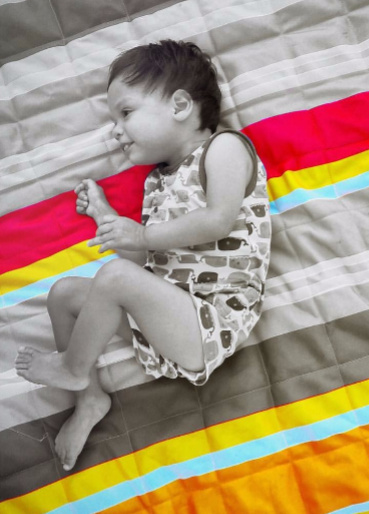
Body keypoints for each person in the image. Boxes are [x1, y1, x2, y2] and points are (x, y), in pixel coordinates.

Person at [15, 40, 271, 471]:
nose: (114, 130)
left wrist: (141, 234)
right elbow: (146, 264)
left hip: (210, 323)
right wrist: (107, 217)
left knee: (114, 277)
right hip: (166, 320)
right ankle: (89, 397)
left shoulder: (224, 147)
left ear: (180, 105)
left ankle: (74, 367)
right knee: (64, 294)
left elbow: (218, 221)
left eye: (126, 113)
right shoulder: (159, 182)